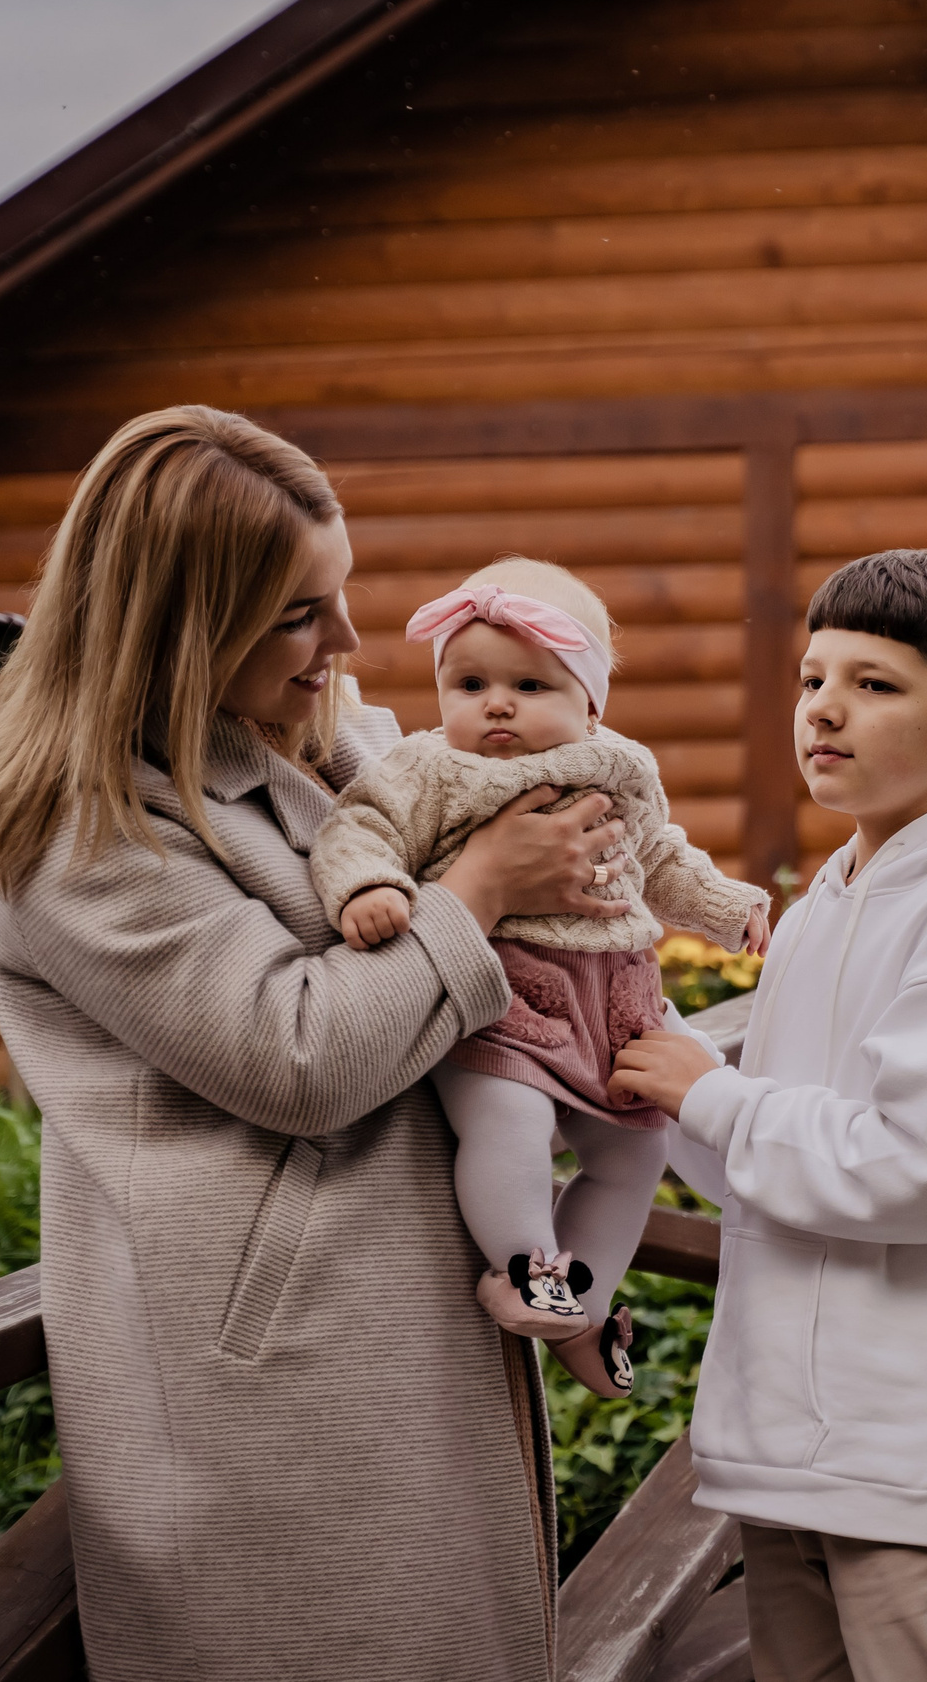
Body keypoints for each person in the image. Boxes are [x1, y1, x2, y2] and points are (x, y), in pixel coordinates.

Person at [0, 405, 647, 1682]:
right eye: (295, 613)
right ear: (179, 623)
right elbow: (297, 1058)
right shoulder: (79, 829)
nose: (343, 642)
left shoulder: (337, 747)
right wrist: (486, 885)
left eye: (339, 596)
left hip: (394, 1335)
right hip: (274, 1391)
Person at [612, 549, 927, 1682]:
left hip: (924, 1464)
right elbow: (767, 1166)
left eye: (874, 685)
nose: (824, 708)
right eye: (811, 676)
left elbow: (918, 1170)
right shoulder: (825, 906)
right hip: (792, 1451)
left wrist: (710, 1088)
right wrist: (640, 1029)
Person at [311, 556, 769, 1391]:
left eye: (529, 685)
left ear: (589, 704)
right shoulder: (428, 769)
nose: (496, 704)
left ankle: (578, 1302)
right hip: (503, 994)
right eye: (470, 681)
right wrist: (369, 884)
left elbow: (658, 855)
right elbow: (359, 829)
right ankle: (523, 1264)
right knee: (510, 1120)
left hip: (616, 1000)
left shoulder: (621, 767)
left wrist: (727, 906)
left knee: (634, 1149)